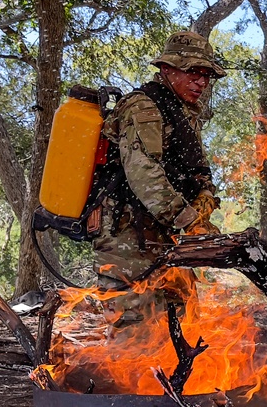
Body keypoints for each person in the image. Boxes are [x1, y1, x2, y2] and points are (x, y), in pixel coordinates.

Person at [93, 30, 226, 328]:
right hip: (129, 240)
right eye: (193, 71)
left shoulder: (184, 114)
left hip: (168, 238)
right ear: (166, 69)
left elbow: (198, 168)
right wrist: (190, 221)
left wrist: (205, 195)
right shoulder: (144, 108)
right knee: (134, 334)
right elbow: (144, 175)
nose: (201, 82)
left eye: (206, 74)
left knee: (184, 326)